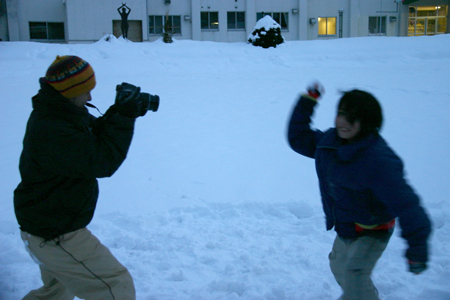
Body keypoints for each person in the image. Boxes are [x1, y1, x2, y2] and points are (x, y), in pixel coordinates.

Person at [14, 55, 148, 299]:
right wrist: (126, 119)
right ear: (69, 92)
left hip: (44, 225)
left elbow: (94, 135)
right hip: (55, 233)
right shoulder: (52, 129)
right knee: (116, 286)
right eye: (85, 92)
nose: (90, 98)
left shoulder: (60, 112)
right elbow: (102, 161)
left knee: (57, 291)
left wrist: (119, 112)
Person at [287, 82, 432, 300]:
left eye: (353, 117)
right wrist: (308, 101)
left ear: (368, 123)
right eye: (341, 113)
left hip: (375, 229)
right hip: (347, 225)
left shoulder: (378, 160)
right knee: (338, 266)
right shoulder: (329, 144)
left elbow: (408, 205)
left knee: (354, 274)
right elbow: (299, 139)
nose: (343, 121)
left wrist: (417, 248)